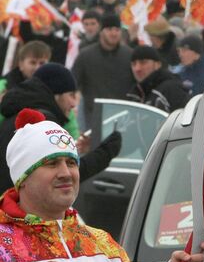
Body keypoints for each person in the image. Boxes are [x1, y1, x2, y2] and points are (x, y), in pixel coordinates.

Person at [0, 108, 204, 262]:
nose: (66, 173)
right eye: (52, 164)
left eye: (71, 163)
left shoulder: (101, 244)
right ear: (23, 178)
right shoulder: (5, 251)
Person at [0, 63, 122, 193]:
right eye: (71, 95)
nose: (74, 103)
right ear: (56, 94)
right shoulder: (42, 122)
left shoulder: (17, 116)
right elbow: (61, 176)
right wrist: (105, 153)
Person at [72, 14, 134, 129]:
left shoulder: (129, 55)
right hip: (94, 119)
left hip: (124, 118)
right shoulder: (86, 56)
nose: (114, 33)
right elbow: (74, 83)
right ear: (101, 31)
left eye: (117, 29)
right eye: (109, 29)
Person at [127, 45, 190, 112]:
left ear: (157, 65)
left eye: (143, 62)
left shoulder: (171, 88)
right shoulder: (134, 94)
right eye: (133, 64)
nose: (137, 68)